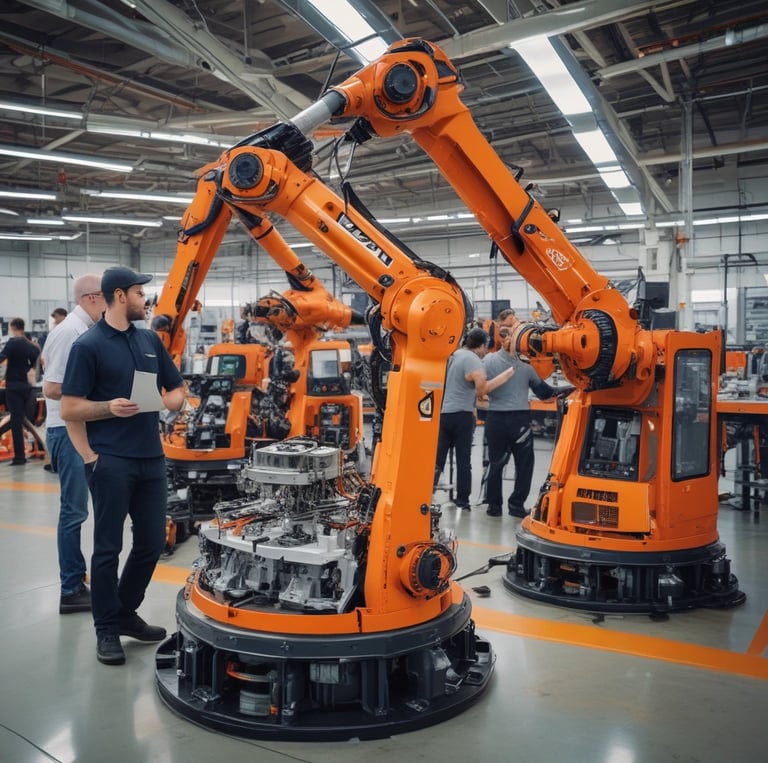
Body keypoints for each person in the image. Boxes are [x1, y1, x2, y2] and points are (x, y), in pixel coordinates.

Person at [61, 266, 186, 666]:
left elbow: (177, 388)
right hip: (111, 460)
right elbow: (70, 407)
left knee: (151, 544)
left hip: (151, 458)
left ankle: (125, 612)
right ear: (118, 296)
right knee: (108, 548)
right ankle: (106, 630)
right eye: (138, 293)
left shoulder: (149, 340)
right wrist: (106, 413)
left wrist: (173, 402)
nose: (144, 299)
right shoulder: (89, 346)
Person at [42, 273, 106, 615]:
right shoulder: (69, 332)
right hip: (66, 432)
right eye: (108, 297)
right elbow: (51, 388)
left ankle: (78, 580)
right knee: (74, 512)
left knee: (80, 511)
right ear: (92, 298)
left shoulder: (82, 331)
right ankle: (70, 589)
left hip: (80, 429)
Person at [482, 309, 566, 518]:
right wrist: (573, 388)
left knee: (496, 463)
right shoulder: (526, 368)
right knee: (525, 465)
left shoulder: (488, 362)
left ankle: (494, 507)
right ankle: (516, 506)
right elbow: (546, 393)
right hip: (519, 420)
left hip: (495, 420)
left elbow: (477, 387)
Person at [433, 327, 514, 510]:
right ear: (482, 345)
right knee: (463, 460)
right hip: (462, 415)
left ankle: (426, 496)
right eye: (486, 348)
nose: (486, 352)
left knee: (437, 459)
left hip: (444, 413)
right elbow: (482, 390)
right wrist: (506, 375)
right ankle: (463, 501)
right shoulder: (474, 361)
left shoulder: (456, 355)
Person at [0, 318, 41, 465]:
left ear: (12, 327)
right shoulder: (33, 346)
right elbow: (36, 366)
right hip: (28, 388)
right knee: (21, 419)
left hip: (14, 387)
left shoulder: (12, 343)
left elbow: (1, 358)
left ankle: (19, 457)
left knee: (16, 421)